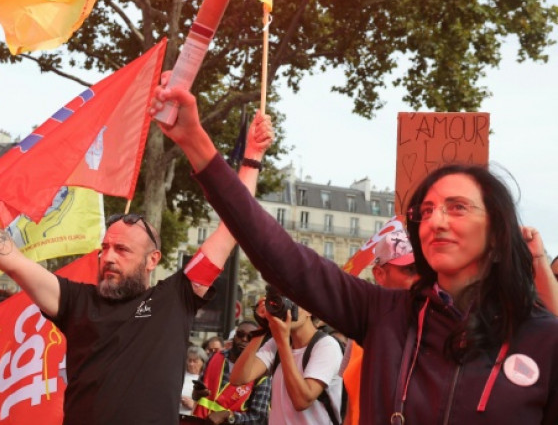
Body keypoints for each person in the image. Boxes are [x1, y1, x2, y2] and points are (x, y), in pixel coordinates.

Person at [152, 83, 558, 423]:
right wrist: (194, 140)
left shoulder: (543, 338)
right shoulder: (385, 315)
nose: (436, 221)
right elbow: (281, 253)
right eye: (427, 210)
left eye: (457, 207)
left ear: (497, 229)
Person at [0, 112, 273, 425]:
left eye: (122, 249)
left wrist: (252, 160)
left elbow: (230, 228)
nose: (108, 257)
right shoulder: (75, 300)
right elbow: (9, 257)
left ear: (153, 260)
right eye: (105, 248)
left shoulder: (176, 296)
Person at [339, 223, 419, 425]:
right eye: (410, 270)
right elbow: (351, 407)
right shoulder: (359, 333)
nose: (419, 279)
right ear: (379, 274)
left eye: (423, 269)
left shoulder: (433, 328)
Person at [231, 293, 343, 425]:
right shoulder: (277, 342)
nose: (287, 309)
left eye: (293, 302)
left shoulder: (326, 346)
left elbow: (301, 401)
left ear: (309, 310)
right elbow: (238, 378)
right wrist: (261, 329)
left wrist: (283, 342)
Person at [192, 321, 270, 425]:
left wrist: (229, 417)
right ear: (234, 336)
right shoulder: (214, 358)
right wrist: (197, 393)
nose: (244, 339)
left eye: (250, 337)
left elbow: (259, 419)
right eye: (240, 334)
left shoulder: (261, 375)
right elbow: (196, 396)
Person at [181, 346, 209, 416]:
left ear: (203, 362)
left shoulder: (205, 379)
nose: (191, 364)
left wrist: (193, 405)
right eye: (189, 360)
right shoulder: (180, 375)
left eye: (195, 361)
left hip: (192, 418)